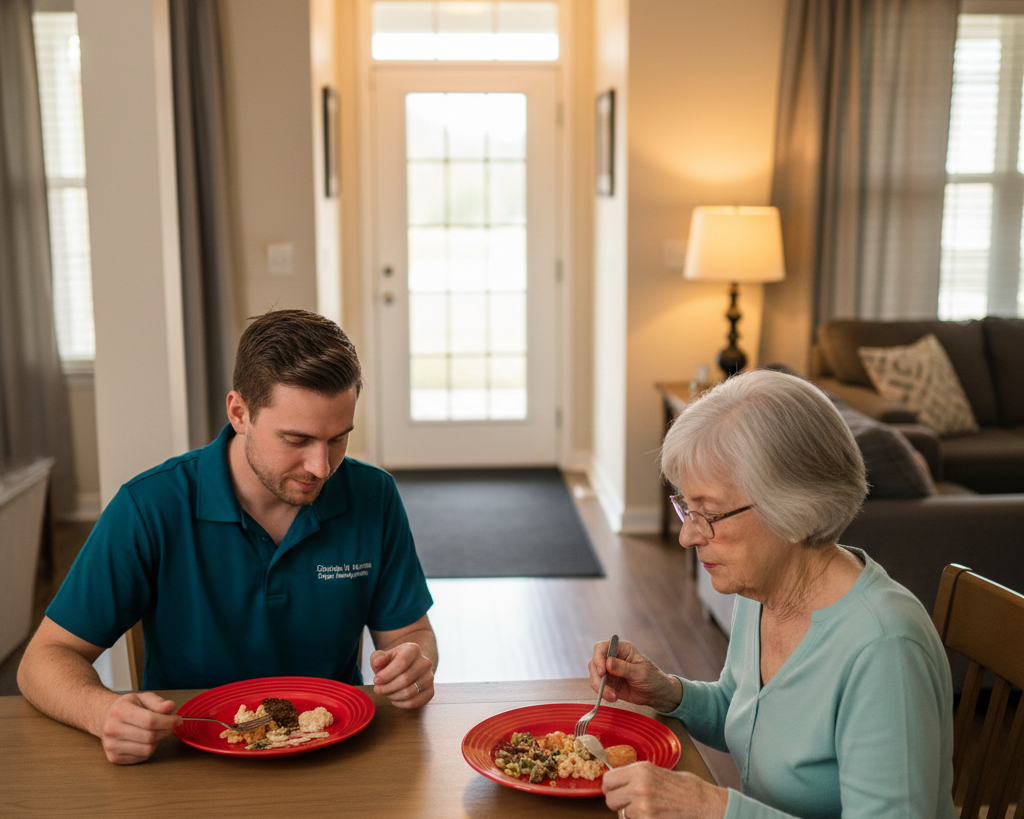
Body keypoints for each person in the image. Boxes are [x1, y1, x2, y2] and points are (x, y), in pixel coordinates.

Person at [18, 309, 437, 765]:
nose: (321, 467)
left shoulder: (373, 495)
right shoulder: (150, 505)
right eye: (297, 440)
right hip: (189, 759)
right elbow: (44, 659)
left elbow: (410, 633)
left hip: (336, 752)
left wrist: (413, 662)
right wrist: (101, 711)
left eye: (338, 439)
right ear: (239, 412)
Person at [587, 369, 955, 819]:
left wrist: (715, 808)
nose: (687, 536)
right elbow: (745, 715)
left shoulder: (884, 649)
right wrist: (666, 692)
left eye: (709, 513)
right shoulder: (762, 589)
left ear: (795, 510)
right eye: (687, 507)